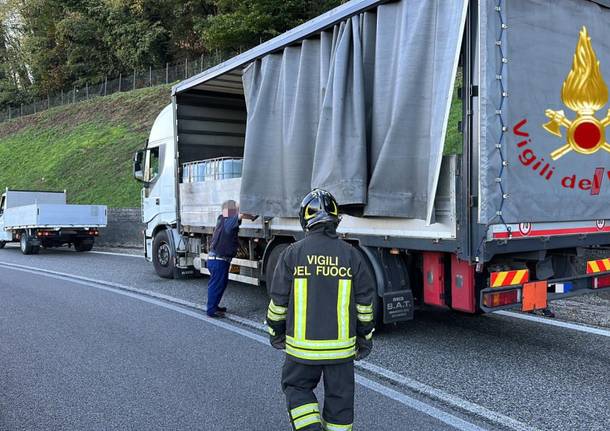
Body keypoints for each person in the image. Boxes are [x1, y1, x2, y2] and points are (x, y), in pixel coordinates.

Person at [266, 189, 376, 431]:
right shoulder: (351, 255)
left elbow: (278, 303)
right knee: (340, 401)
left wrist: (276, 333)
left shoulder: (292, 254)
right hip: (341, 351)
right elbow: (365, 306)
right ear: (335, 220)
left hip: (302, 350)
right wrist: (364, 338)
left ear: (306, 220)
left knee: (297, 388)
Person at [206, 200, 242, 318]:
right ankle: (211, 310)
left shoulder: (221, 219)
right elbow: (240, 215)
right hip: (219, 260)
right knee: (217, 285)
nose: (237, 210)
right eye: (235, 209)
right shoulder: (229, 221)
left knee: (220, 284)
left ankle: (214, 306)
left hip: (216, 259)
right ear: (231, 211)